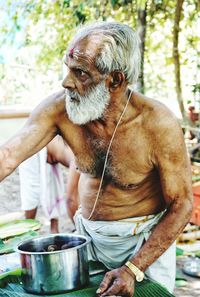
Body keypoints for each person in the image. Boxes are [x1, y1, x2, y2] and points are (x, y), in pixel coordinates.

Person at [0, 21, 193, 297]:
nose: (66, 81)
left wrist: (133, 269)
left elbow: (182, 204)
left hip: (143, 244)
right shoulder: (60, 109)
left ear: (115, 80)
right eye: (68, 68)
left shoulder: (157, 124)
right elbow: (7, 156)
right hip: (87, 240)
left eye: (79, 72)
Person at [19, 135, 80, 233]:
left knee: (53, 186)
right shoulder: (80, 160)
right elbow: (71, 200)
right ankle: (27, 231)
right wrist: (81, 230)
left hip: (50, 146)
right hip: (31, 142)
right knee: (31, 190)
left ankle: (54, 231)